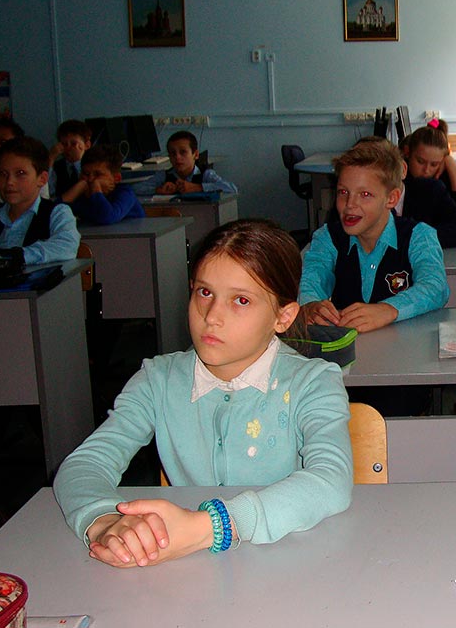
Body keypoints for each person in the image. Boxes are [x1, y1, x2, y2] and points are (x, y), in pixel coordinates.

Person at [53, 219, 353, 568]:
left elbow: (331, 479)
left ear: (283, 317)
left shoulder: (313, 382)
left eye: (241, 300)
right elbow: (85, 464)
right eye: (204, 293)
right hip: (188, 569)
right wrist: (105, 522)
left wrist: (213, 526)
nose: (212, 316)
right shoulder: (158, 380)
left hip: (290, 563)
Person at [299, 139, 449, 334]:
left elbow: (436, 287)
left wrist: (389, 309)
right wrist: (310, 305)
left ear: (391, 199)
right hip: (350, 347)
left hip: (406, 345)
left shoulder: (419, 236)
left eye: (365, 194)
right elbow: (311, 281)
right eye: (343, 192)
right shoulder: (327, 237)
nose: (350, 204)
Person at [0, 135, 80, 264]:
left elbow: (66, 246)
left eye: (20, 173)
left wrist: (15, 256)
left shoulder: (57, 212)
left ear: (42, 179)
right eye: (3, 174)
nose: (9, 182)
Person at [63, 143, 145, 224]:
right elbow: (57, 212)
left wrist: (96, 189)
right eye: (86, 174)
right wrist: (77, 189)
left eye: (98, 174)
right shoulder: (83, 194)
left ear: (116, 178)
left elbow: (107, 217)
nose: (91, 179)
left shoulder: (125, 193)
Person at [136, 130, 237, 196]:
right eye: (173, 153)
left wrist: (198, 187)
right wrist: (158, 190)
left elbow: (231, 188)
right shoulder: (164, 175)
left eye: (183, 152)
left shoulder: (205, 175)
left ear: (195, 155)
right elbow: (135, 189)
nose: (177, 157)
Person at [402, 121, 456, 211]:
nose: (426, 170)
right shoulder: (398, 177)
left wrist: (449, 161)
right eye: (420, 162)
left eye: (434, 164)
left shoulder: (442, 175)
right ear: (407, 152)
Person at [49, 119, 92, 198]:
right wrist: (51, 158)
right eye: (64, 144)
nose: (68, 148)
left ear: (87, 145)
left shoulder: (93, 166)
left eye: (73, 144)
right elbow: (48, 191)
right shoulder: (56, 167)